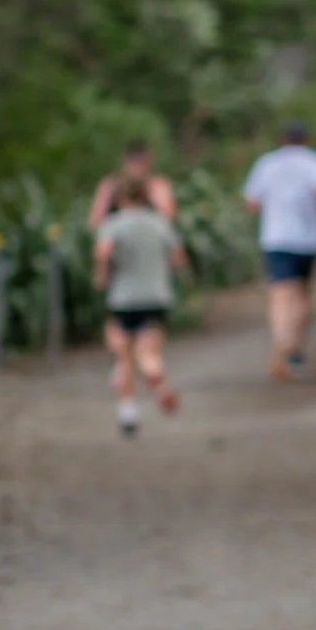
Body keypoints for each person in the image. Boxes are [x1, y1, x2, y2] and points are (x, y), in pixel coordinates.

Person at [242, 123, 316, 378]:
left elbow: (251, 203)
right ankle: (295, 348)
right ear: (307, 140)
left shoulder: (266, 164)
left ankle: (280, 341)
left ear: (282, 140)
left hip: (276, 237)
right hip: (309, 239)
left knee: (280, 294)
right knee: (303, 294)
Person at [93, 175, 186, 435]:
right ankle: (156, 379)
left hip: (123, 299)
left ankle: (128, 412)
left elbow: (103, 253)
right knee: (149, 351)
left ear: (119, 198)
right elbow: (178, 259)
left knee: (124, 355)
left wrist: (102, 277)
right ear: (147, 197)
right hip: (156, 297)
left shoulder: (112, 225)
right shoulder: (161, 224)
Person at [88, 138, 179, 230]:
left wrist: (152, 196)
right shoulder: (110, 186)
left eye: (141, 164)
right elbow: (94, 224)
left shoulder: (158, 186)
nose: (137, 170)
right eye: (134, 163)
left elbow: (171, 220)